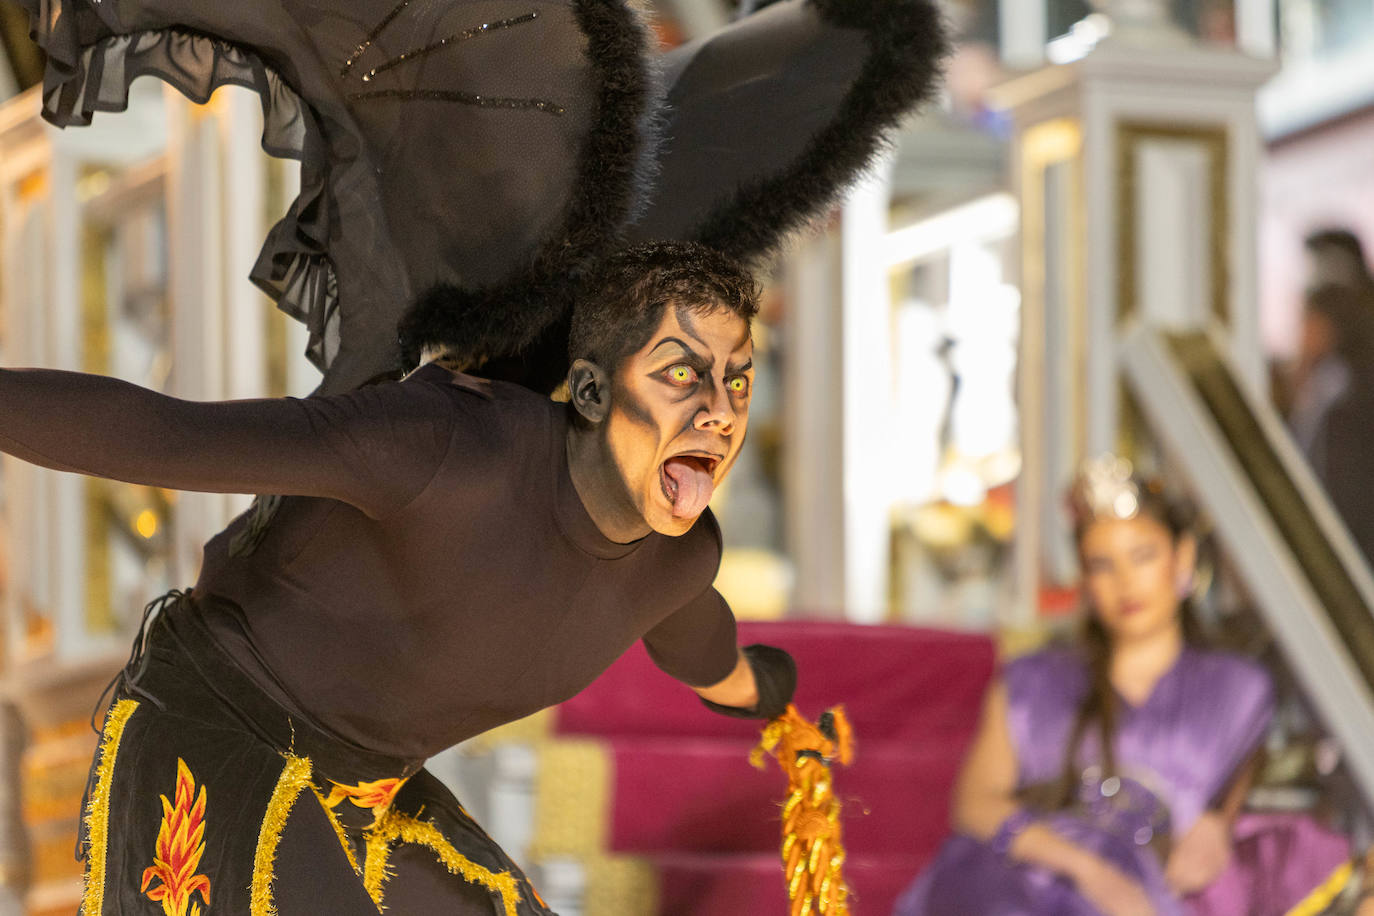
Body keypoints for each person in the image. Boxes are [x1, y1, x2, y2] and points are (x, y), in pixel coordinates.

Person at [0, 241, 796, 914]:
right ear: (591, 390)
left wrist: (764, 695)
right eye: (682, 375)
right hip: (217, 728)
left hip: (367, 791)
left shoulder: (679, 558)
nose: (721, 412)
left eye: (737, 380)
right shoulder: (443, 449)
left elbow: (699, 641)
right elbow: (170, 437)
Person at [893, 455, 1349, 916]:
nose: (1125, 582)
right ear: (1085, 578)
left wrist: (1219, 824)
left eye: (1143, 556)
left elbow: (1234, 784)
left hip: (1152, 890)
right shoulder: (1032, 680)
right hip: (1020, 880)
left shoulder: (1238, 688)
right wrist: (1090, 872)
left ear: (1182, 558)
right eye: (1102, 564)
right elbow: (974, 804)